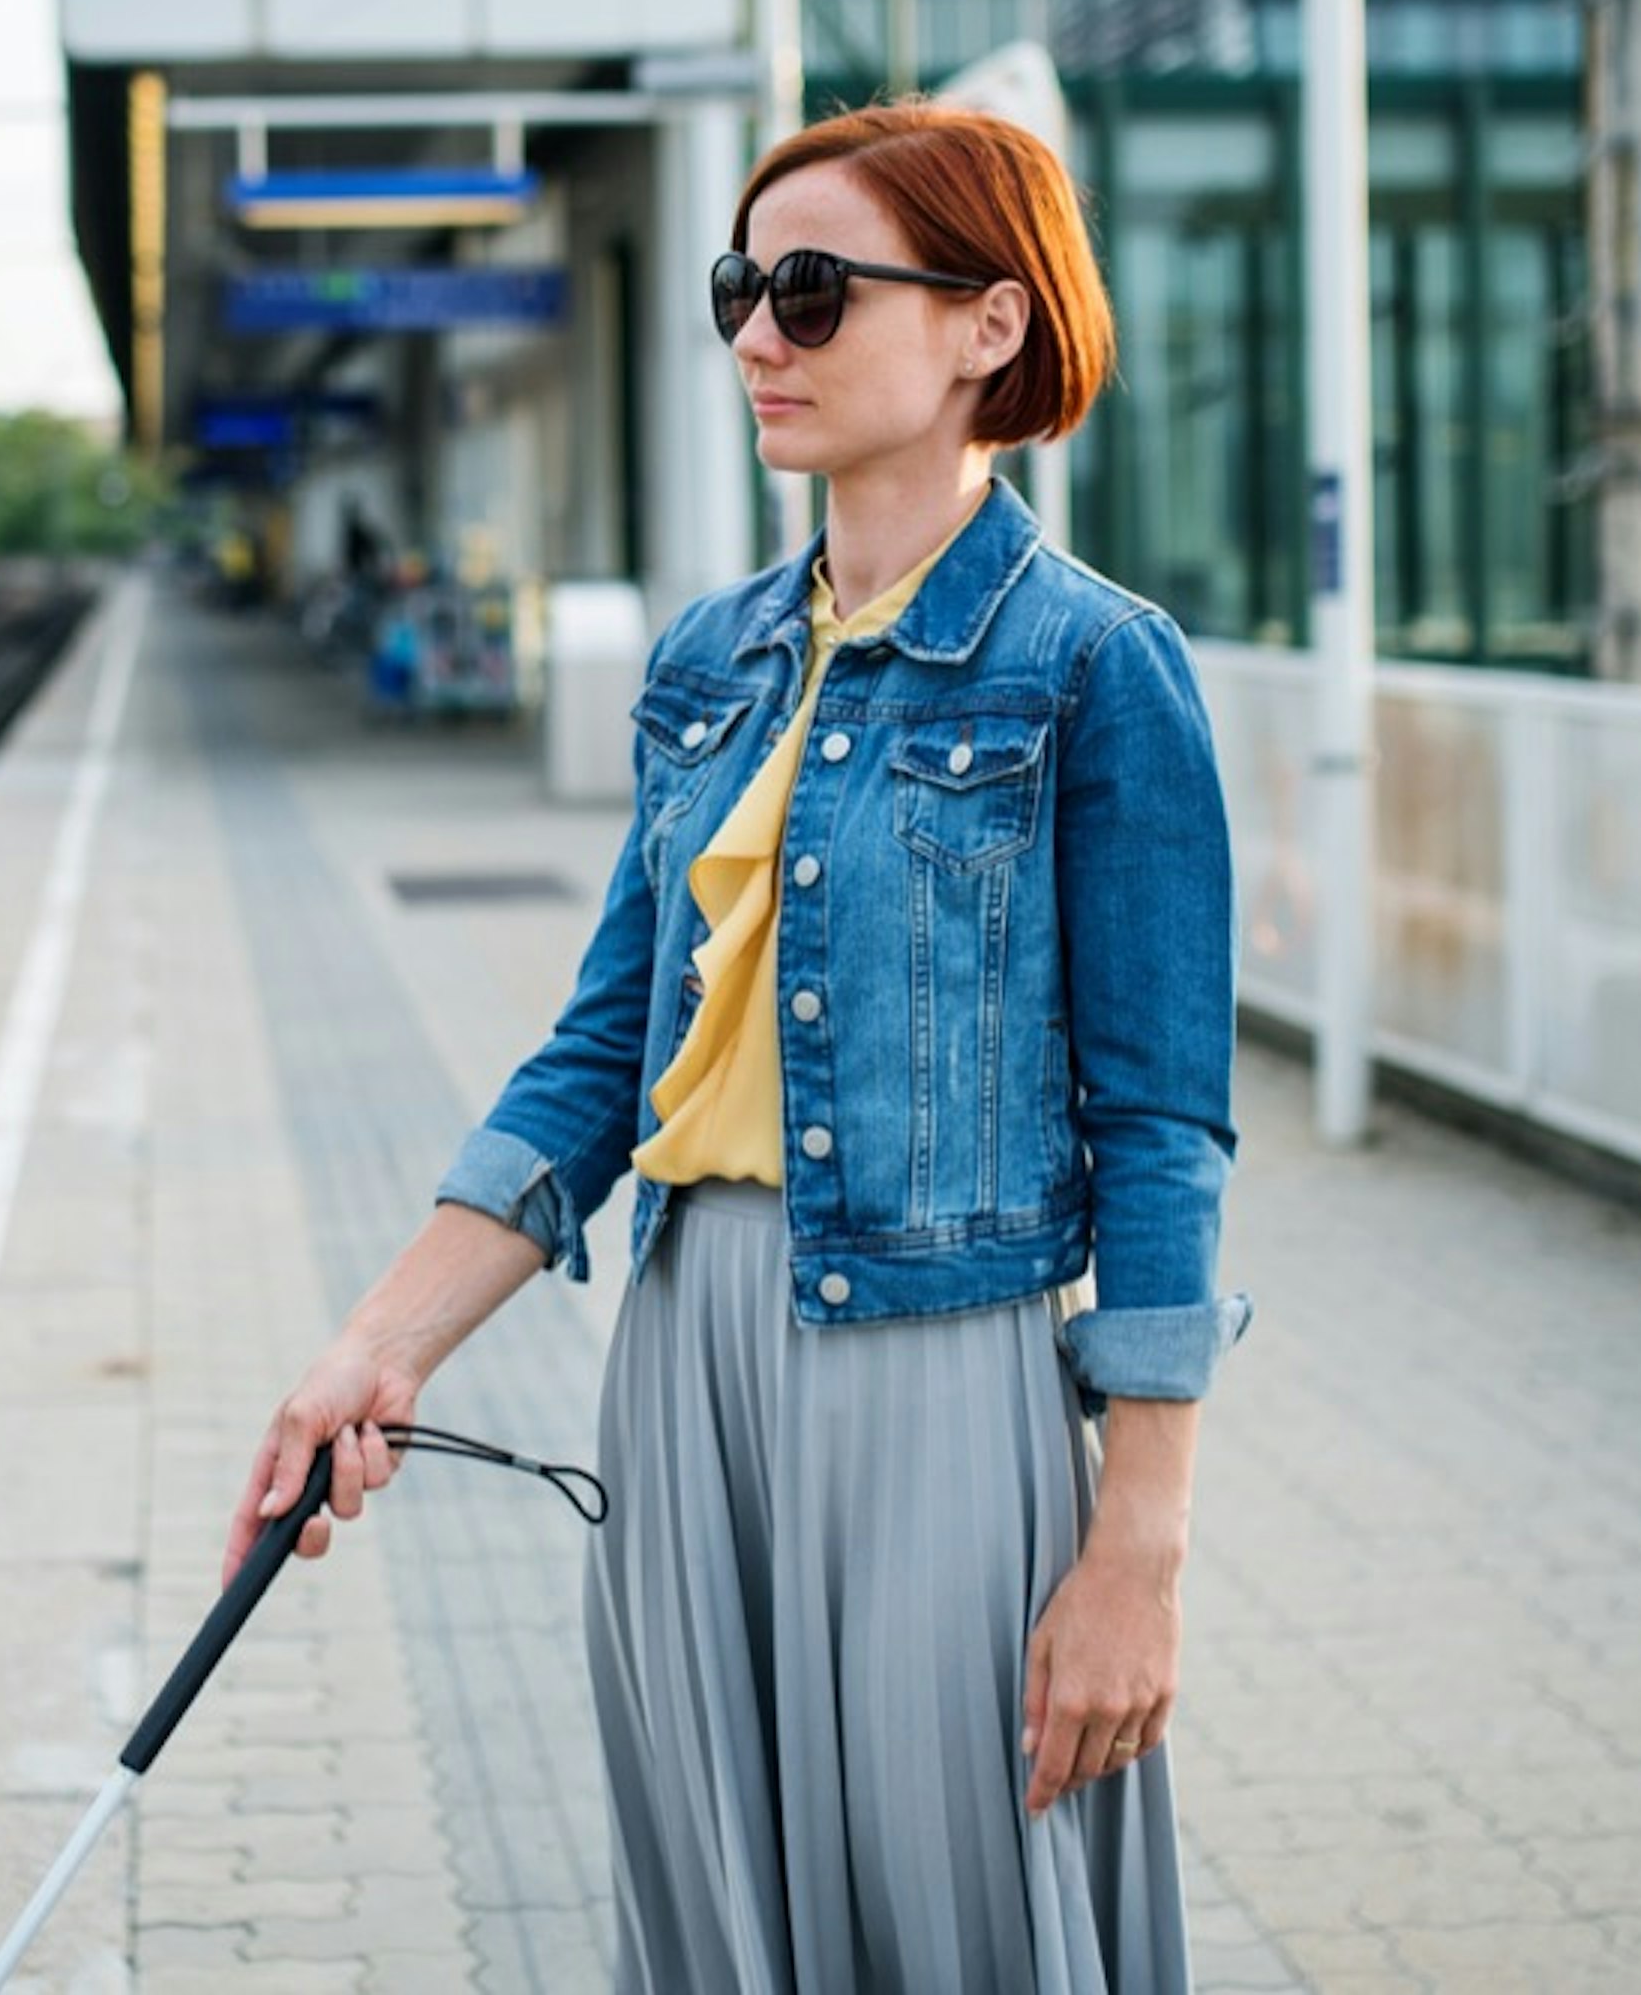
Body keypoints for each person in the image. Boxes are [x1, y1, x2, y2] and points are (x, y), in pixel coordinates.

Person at [229, 104, 1243, 1991]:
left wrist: (1142, 1544)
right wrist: (371, 1348)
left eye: (810, 287)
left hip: (942, 1373)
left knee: (958, 1915)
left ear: (987, 326)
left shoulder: (1098, 667)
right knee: (714, 1917)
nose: (756, 336)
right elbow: (605, 1052)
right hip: (687, 1357)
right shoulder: (710, 658)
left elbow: (1165, 1132)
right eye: (738, 287)